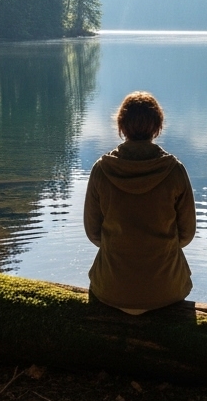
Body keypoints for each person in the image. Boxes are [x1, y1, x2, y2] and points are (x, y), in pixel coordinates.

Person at [83, 91, 196, 314]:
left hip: (111, 289)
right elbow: (187, 233)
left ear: (121, 127)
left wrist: (123, 248)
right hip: (166, 291)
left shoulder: (101, 170)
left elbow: (93, 231)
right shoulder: (174, 171)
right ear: (157, 127)